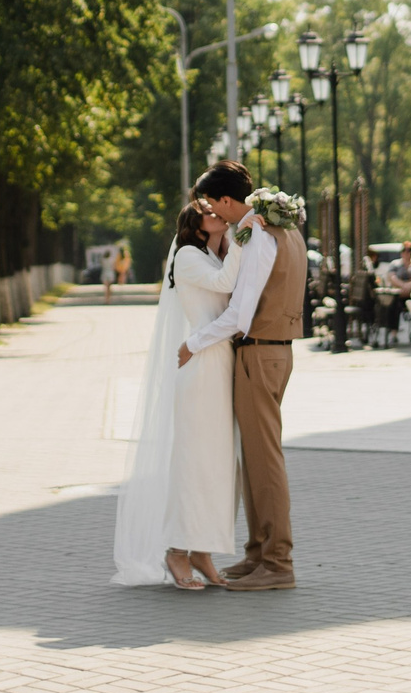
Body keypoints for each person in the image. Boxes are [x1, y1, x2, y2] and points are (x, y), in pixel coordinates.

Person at [179, 159, 305, 591]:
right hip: (273, 351)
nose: (213, 213)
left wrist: (193, 343)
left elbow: (240, 312)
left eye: (213, 204)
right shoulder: (280, 226)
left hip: (260, 352)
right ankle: (259, 554)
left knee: (265, 462)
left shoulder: (256, 235)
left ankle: (277, 561)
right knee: (255, 459)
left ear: (228, 200)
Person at [112, 201, 242, 589]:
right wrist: (242, 236)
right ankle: (175, 550)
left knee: (217, 464)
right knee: (193, 462)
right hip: (200, 367)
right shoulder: (187, 255)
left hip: (220, 362)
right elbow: (226, 286)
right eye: (209, 212)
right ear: (193, 223)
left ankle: (202, 549)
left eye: (221, 212)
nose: (218, 215)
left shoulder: (211, 255)